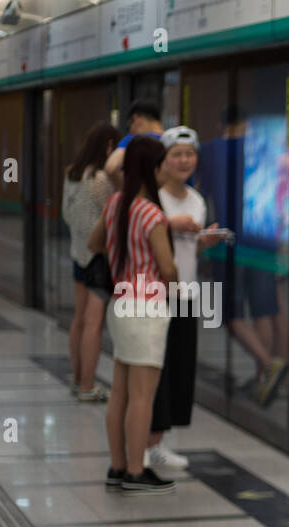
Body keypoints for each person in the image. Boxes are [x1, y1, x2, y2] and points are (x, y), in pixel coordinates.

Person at [87, 136, 179, 496]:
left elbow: (95, 243)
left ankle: (117, 466)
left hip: (120, 303)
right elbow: (168, 267)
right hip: (147, 308)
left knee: (121, 392)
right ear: (153, 168)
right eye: (163, 164)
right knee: (143, 396)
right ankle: (137, 470)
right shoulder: (152, 214)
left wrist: (120, 257)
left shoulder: (115, 205)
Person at [145, 126, 223, 474]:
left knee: (178, 370)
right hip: (155, 295)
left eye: (189, 154)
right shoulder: (152, 199)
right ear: (164, 159)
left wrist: (206, 240)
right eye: (176, 154)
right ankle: (141, 444)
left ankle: (158, 443)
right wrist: (167, 223)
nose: (184, 161)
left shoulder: (197, 200)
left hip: (187, 294)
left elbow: (191, 248)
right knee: (151, 372)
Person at [200, 105, 288, 405]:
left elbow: (203, 194)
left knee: (227, 314)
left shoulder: (211, 150)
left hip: (229, 244)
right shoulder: (266, 150)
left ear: (221, 124)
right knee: (263, 309)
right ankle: (263, 378)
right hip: (266, 238)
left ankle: (268, 365)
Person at [61, 121, 118, 402]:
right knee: (94, 324)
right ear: (108, 146)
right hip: (99, 256)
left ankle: (76, 379)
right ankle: (87, 386)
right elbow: (112, 216)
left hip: (77, 254)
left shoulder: (71, 174)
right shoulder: (99, 179)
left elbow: (66, 214)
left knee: (80, 320)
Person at [104, 100, 164, 186]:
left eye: (129, 126)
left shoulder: (132, 140)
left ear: (137, 119)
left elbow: (111, 167)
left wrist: (129, 190)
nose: (131, 130)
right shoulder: (174, 142)